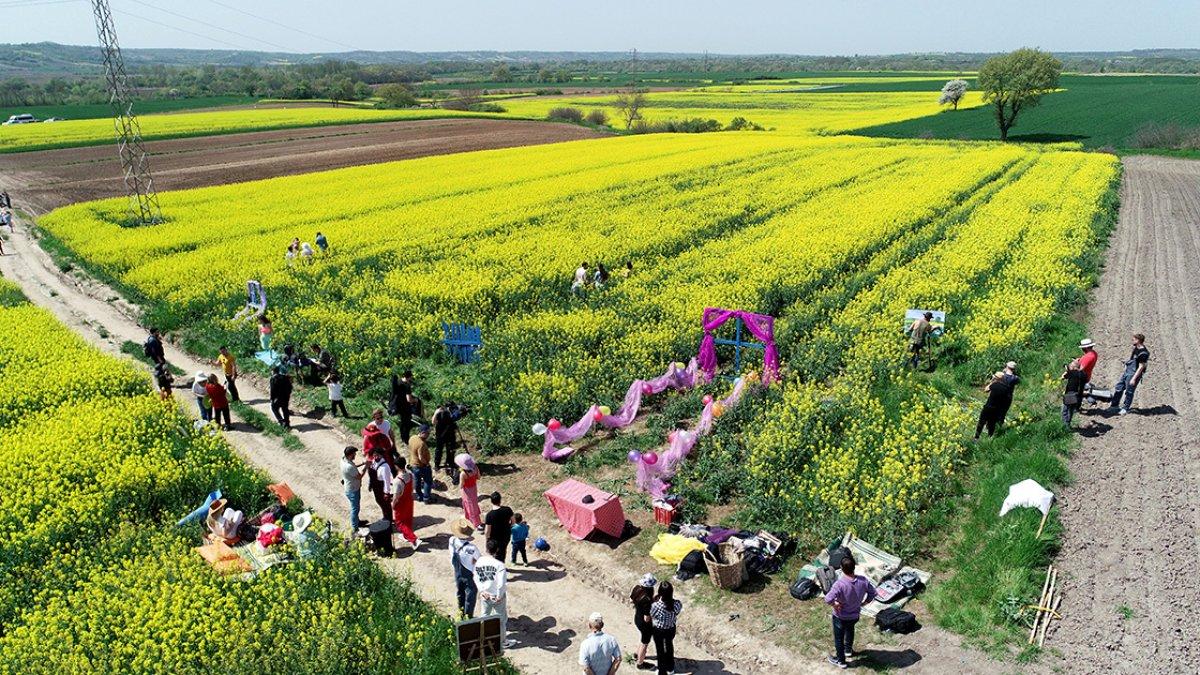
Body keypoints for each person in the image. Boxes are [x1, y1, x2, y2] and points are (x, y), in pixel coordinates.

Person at [824, 555, 878, 669]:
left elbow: (828, 599)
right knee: (850, 630)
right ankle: (848, 650)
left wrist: (835, 604)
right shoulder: (863, 581)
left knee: (839, 639)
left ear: (841, 569)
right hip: (854, 615)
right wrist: (865, 603)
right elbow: (873, 593)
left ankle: (841, 661)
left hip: (840, 617)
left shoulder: (840, 584)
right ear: (854, 567)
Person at [474, 539, 515, 649]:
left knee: (484, 616)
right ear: (497, 550)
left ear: (487, 549)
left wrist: (481, 591)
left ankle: (482, 638)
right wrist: (499, 596)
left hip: (484, 595)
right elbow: (501, 584)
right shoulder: (499, 565)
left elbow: (476, 577)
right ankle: (503, 641)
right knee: (501, 619)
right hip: (496, 597)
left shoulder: (480, 561)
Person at [1110, 333, 1149, 415]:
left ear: (1138, 340)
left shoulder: (1144, 353)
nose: (1132, 341)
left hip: (1133, 374)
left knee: (1129, 392)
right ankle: (1114, 406)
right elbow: (1133, 360)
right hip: (1127, 371)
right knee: (1119, 387)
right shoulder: (1136, 348)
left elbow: (1141, 367)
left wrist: (1134, 379)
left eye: (1134, 339)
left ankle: (1125, 408)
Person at [450, 518, 481, 617]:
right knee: (470, 594)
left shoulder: (452, 541)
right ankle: (468, 615)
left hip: (457, 571)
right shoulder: (472, 548)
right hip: (469, 573)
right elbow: (479, 560)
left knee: (460, 592)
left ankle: (461, 612)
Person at [650, 581, 681, 675]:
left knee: (660, 650)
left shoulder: (656, 605)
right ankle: (670, 668)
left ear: (659, 592)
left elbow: (652, 615)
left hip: (659, 630)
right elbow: (677, 612)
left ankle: (661, 670)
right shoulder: (677, 604)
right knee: (669, 646)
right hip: (671, 629)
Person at [390, 457, 421, 549]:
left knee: (399, 522)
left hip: (401, 502)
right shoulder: (410, 475)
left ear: (396, 467)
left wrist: (393, 504)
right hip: (409, 499)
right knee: (408, 519)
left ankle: (414, 539)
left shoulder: (397, 481)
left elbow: (396, 496)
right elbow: (413, 487)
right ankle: (406, 535)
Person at [975, 371, 1014, 439]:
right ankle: (990, 437)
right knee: (991, 423)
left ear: (997, 378)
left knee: (981, 421)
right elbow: (1007, 400)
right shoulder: (1006, 388)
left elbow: (986, 390)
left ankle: (976, 437)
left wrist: (992, 381)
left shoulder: (994, 385)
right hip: (997, 409)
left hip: (988, 407)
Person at [630, 574, 656, 670]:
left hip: (637, 617)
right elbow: (647, 618)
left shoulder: (637, 588)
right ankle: (640, 664)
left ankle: (637, 655)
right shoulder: (647, 599)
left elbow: (631, 599)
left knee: (642, 640)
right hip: (644, 624)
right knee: (645, 643)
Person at [389, 369, 418, 444]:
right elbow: (409, 400)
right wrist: (415, 400)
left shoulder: (398, 381)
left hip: (397, 406)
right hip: (405, 407)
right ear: (409, 377)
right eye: (411, 377)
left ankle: (402, 438)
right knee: (407, 423)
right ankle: (406, 439)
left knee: (402, 423)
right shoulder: (407, 385)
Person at [341, 446, 366, 531]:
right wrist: (366, 467)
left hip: (351, 488)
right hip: (353, 490)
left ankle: (357, 522)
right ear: (350, 455)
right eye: (354, 454)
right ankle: (355, 527)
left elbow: (353, 466)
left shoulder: (343, 460)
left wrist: (362, 463)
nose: (355, 455)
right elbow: (359, 476)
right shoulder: (349, 467)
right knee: (355, 508)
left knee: (356, 507)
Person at [484, 492, 514, 562]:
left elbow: (487, 531)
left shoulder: (489, 515)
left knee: (495, 553)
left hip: (494, 539)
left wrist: (487, 541)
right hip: (506, 536)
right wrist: (509, 528)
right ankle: (502, 563)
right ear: (500, 500)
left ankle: (498, 566)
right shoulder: (508, 509)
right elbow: (513, 521)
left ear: (491, 501)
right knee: (503, 550)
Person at [366, 449, 394, 523]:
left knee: (386, 504)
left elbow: (387, 481)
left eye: (377, 455)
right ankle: (385, 516)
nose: (375, 457)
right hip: (376, 486)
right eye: (374, 455)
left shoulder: (385, 467)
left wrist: (386, 493)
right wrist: (370, 484)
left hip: (381, 486)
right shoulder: (374, 462)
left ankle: (389, 520)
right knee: (379, 502)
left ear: (381, 455)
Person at [432, 401, 460, 472]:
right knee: (439, 449)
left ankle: (449, 462)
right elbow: (433, 422)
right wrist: (436, 412)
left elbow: (455, 418)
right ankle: (437, 464)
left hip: (449, 433)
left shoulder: (451, 412)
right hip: (441, 434)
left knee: (450, 448)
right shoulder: (440, 412)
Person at [409, 424, 433, 503]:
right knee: (428, 481)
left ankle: (419, 496)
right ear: (423, 432)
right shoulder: (421, 444)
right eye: (427, 433)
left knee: (417, 481)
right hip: (421, 466)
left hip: (413, 464)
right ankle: (426, 498)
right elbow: (421, 457)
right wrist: (427, 464)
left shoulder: (412, 438)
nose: (428, 435)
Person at [457, 453, 482, 528]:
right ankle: (475, 519)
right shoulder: (475, 468)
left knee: (468, 504)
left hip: (466, 491)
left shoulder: (463, 474)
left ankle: (474, 522)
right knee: (474, 503)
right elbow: (479, 477)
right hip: (474, 488)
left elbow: (461, 485)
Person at [1061, 360, 1088, 427]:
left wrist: (1066, 372)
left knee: (1064, 411)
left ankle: (1065, 426)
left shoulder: (1071, 373)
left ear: (1073, 367)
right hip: (1078, 396)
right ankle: (1068, 423)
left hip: (1070, 394)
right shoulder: (1084, 374)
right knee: (1071, 410)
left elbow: (1063, 377)